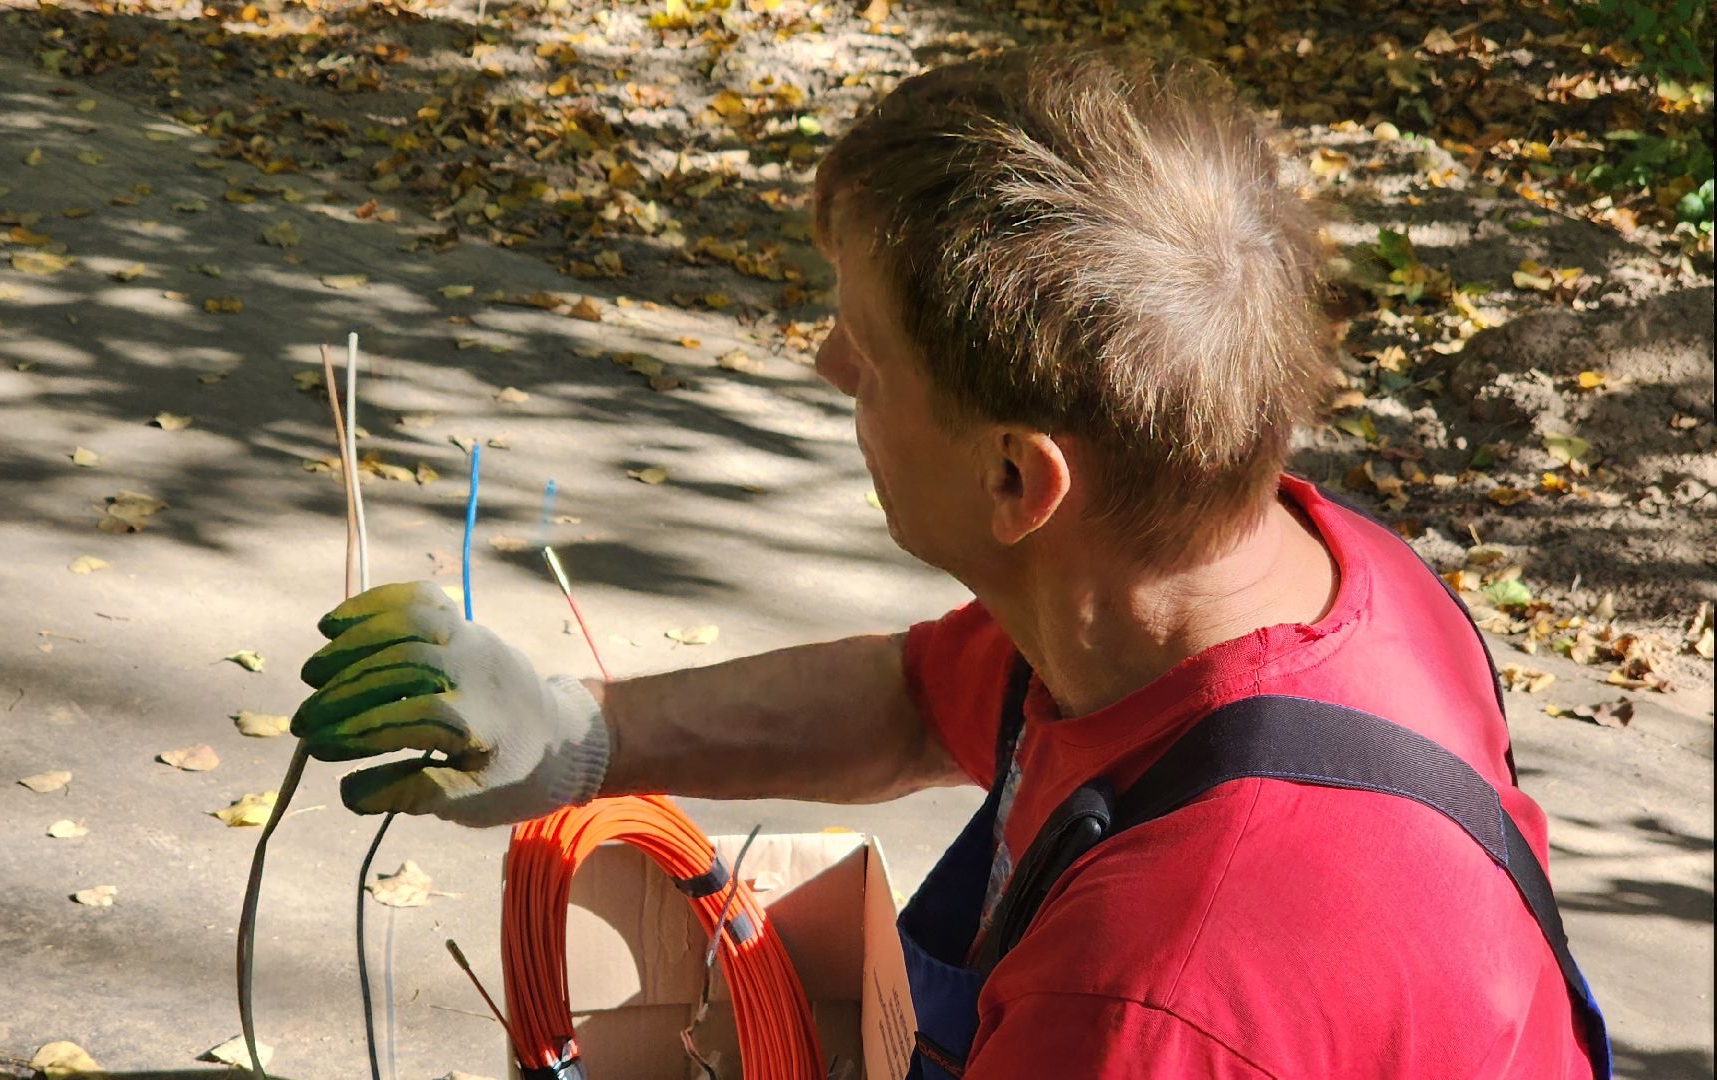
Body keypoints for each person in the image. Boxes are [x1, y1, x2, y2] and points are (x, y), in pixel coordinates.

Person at [290, 47, 1606, 1078]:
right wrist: (578, 738)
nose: (825, 367)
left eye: (866, 348)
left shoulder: (1146, 1001)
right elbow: (915, 702)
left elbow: (1150, 1011)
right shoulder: (1265, 579)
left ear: (1016, 481)